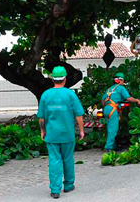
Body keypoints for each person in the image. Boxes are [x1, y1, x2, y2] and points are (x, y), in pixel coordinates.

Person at [37, 66, 84, 199]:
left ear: (52, 79)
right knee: (68, 158)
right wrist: (81, 130)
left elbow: (41, 117)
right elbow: (78, 115)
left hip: (52, 135)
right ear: (64, 79)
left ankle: (55, 190)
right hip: (67, 134)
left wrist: (42, 131)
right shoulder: (70, 94)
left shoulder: (45, 95)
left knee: (54, 160)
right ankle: (68, 185)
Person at [102, 72, 140, 151]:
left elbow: (103, 101)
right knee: (113, 129)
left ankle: (113, 146)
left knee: (110, 128)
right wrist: (137, 100)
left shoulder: (109, 89)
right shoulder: (121, 88)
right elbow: (128, 98)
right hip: (112, 110)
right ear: (120, 80)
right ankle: (109, 147)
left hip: (106, 109)